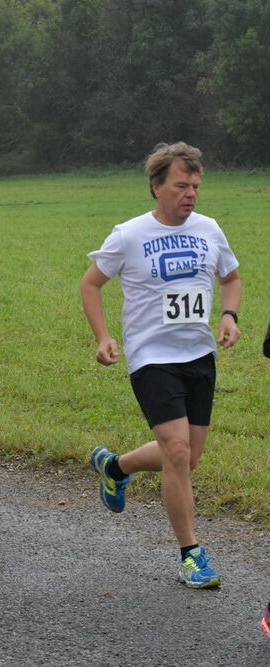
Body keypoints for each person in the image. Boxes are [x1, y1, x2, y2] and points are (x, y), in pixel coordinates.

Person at [80, 142, 241, 589]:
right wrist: (104, 336)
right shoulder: (130, 234)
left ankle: (116, 468)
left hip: (199, 354)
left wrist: (229, 315)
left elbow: (230, 278)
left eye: (195, 186)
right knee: (177, 452)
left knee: (189, 456)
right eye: (181, 186)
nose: (190, 194)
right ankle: (190, 554)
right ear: (156, 187)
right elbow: (91, 284)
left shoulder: (209, 229)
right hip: (152, 357)